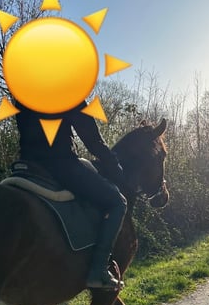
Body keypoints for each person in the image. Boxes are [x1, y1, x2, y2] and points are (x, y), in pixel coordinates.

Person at [13, 98, 127, 290]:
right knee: (118, 202)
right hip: (61, 166)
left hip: (25, 166)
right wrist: (114, 166)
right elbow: (92, 140)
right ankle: (98, 271)